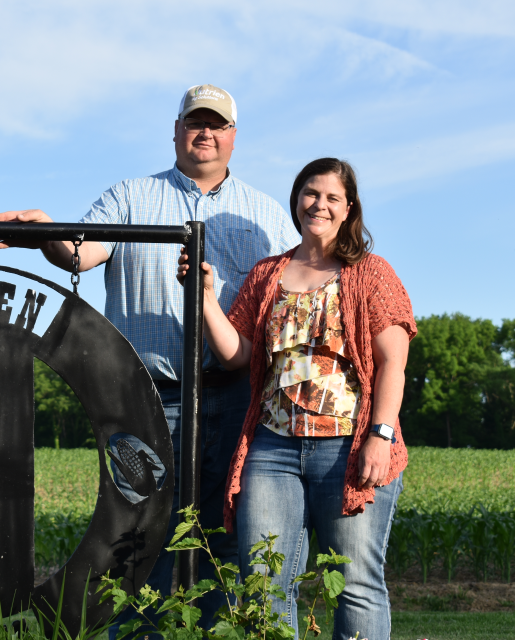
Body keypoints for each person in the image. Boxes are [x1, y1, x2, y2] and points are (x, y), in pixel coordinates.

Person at [0, 84, 300, 635]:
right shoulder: (129, 196)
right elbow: (80, 254)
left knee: (221, 533)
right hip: (143, 396)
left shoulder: (265, 216)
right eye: (194, 123)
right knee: (138, 534)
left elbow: (287, 301)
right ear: (176, 131)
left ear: (233, 136)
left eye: (217, 124)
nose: (205, 133)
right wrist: (45, 235)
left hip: (232, 396)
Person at [177, 158, 415, 640]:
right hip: (272, 449)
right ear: (296, 201)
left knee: (355, 583)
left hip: (348, 446)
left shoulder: (370, 272)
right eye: (311, 193)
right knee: (264, 583)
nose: (319, 205)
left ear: (349, 209)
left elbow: (394, 361)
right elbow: (237, 355)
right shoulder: (268, 273)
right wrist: (204, 299)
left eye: (331, 197)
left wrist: (381, 435)